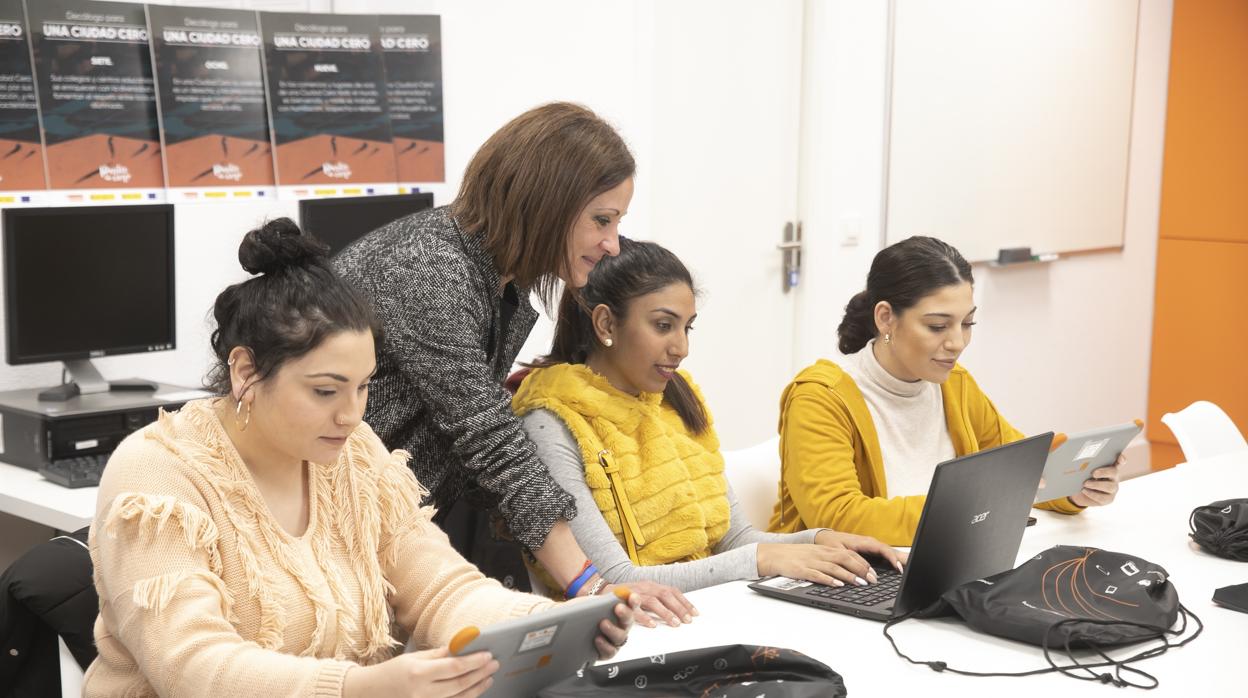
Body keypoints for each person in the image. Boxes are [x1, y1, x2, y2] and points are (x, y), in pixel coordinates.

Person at [84, 220, 633, 697]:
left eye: (363, 387)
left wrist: (552, 623)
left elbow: (442, 589)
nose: (351, 416)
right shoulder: (157, 473)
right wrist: (359, 688)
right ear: (246, 371)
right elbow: (191, 667)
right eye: (325, 391)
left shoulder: (357, 456)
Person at [333, 102, 687, 624]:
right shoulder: (430, 269)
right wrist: (591, 585)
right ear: (546, 204)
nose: (612, 244)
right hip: (333, 529)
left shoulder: (506, 283)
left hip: (389, 525)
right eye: (601, 220)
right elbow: (488, 439)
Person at [511, 238, 903, 594]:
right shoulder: (550, 421)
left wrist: (820, 541)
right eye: (663, 326)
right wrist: (762, 559)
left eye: (687, 328)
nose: (681, 348)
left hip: (707, 610)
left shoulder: (675, 402)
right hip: (625, 632)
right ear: (606, 323)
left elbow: (733, 539)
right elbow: (613, 579)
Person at [769, 236, 1122, 545]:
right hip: (830, 582)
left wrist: (1072, 490)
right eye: (937, 326)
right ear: (885, 318)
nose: (957, 342)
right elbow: (838, 516)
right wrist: (971, 508)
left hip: (931, 561)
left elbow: (1021, 469)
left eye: (967, 323)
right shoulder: (820, 397)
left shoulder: (955, 385)